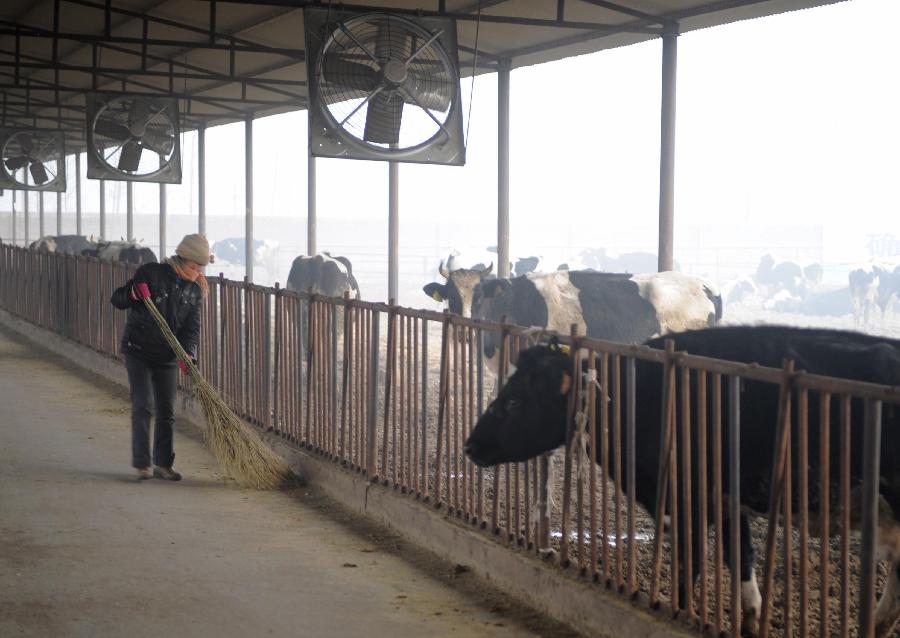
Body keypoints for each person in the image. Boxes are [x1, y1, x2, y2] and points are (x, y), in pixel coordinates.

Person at [111, 234, 212, 481]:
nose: (197, 271)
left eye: (201, 267)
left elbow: (192, 327)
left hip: (167, 354)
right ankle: (142, 463)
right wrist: (133, 293)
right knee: (144, 403)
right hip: (139, 350)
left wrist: (188, 352)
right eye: (194, 265)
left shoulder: (195, 289)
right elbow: (118, 300)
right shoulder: (150, 273)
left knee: (167, 410)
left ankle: (163, 464)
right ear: (181, 258)